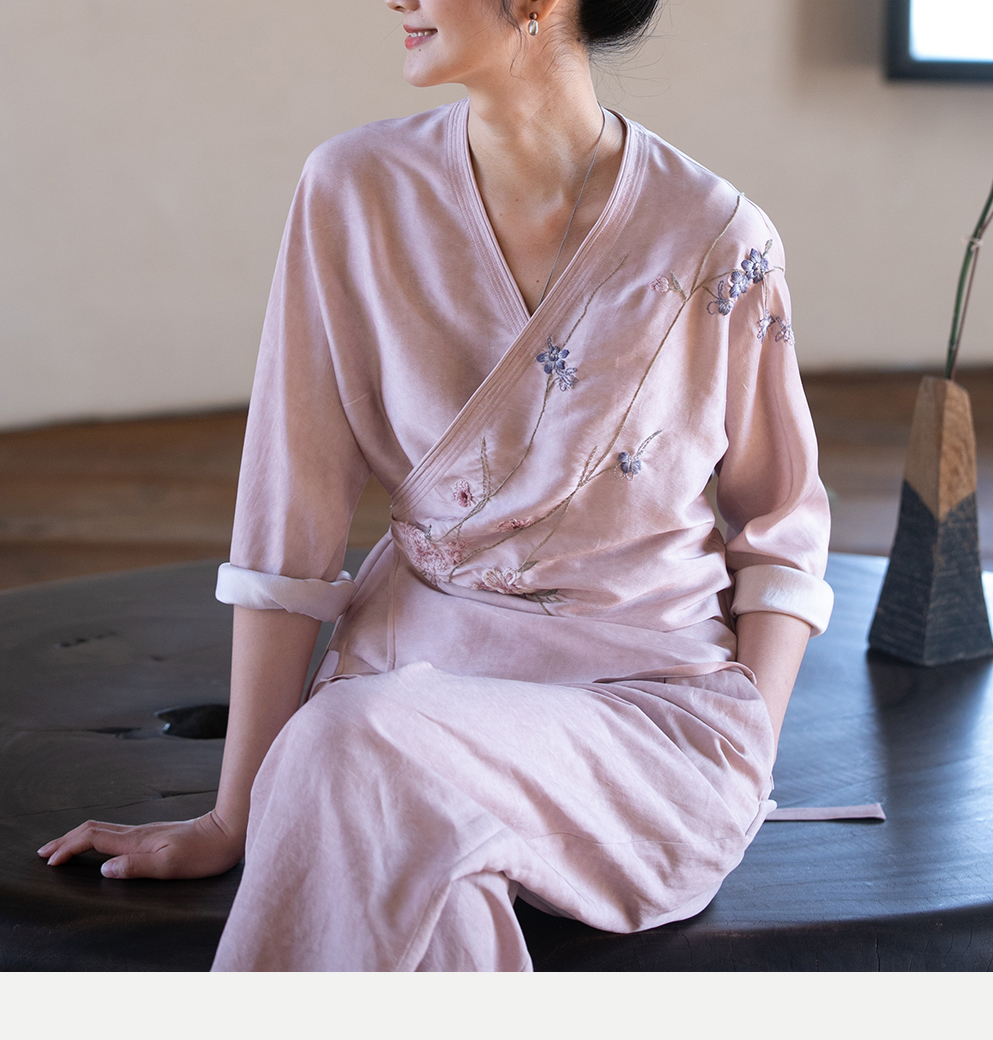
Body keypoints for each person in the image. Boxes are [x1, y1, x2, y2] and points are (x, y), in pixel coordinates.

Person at [37, 0, 833, 971]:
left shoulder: (713, 234)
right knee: (374, 784)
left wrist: (752, 747)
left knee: (346, 749)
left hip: (643, 724)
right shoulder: (352, 191)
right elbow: (292, 517)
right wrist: (233, 814)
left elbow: (781, 527)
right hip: (408, 688)